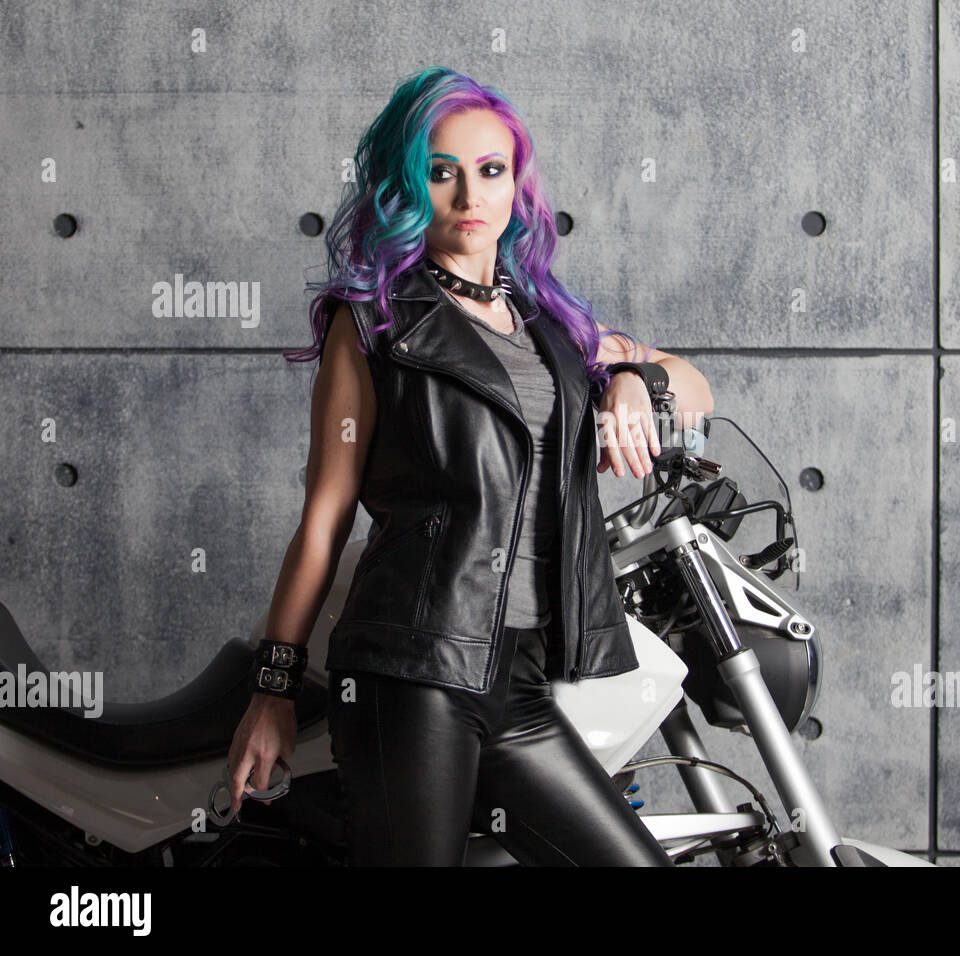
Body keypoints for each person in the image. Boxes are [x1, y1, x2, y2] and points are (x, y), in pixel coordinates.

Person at [223, 66, 714, 866]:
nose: (469, 196)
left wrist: (636, 381)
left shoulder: (550, 326)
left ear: (516, 185)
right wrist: (273, 689)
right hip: (409, 676)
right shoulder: (377, 324)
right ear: (408, 188)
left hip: (516, 684)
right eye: (440, 173)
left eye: (490, 171)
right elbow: (325, 515)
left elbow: (693, 384)